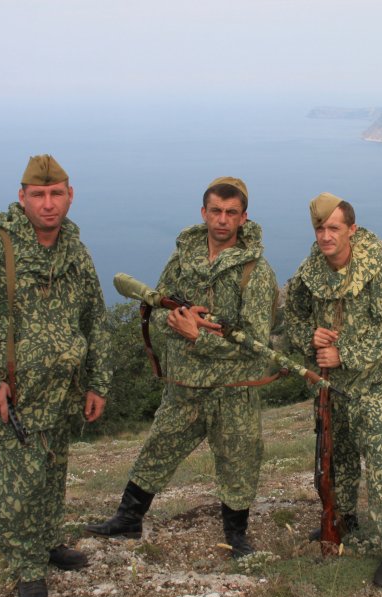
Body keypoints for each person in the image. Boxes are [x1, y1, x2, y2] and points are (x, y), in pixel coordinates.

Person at [0, 155, 112, 597]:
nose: (48, 204)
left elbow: (95, 320)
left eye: (56, 194)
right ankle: (27, 566)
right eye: (38, 195)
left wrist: (97, 382)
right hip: (10, 397)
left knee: (52, 472)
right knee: (18, 487)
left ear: (70, 196)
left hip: (61, 393)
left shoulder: (75, 251)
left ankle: (49, 540)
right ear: (22, 198)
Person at [86, 177, 278, 559]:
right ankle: (128, 519)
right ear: (203, 212)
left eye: (231, 213)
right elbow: (155, 311)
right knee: (158, 449)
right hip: (184, 386)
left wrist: (197, 336)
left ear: (243, 218)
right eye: (216, 211)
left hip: (233, 390)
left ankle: (237, 537)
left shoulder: (256, 272)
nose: (222, 219)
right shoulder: (182, 259)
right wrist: (175, 321)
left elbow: (256, 343)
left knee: (239, 461)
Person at [285, 192, 382, 587]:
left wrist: (344, 354)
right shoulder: (309, 271)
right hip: (330, 386)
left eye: (334, 228)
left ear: (352, 229)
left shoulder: (377, 270)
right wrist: (310, 335)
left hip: (371, 383)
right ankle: (343, 519)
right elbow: (293, 317)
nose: (326, 236)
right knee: (336, 458)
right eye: (320, 229)